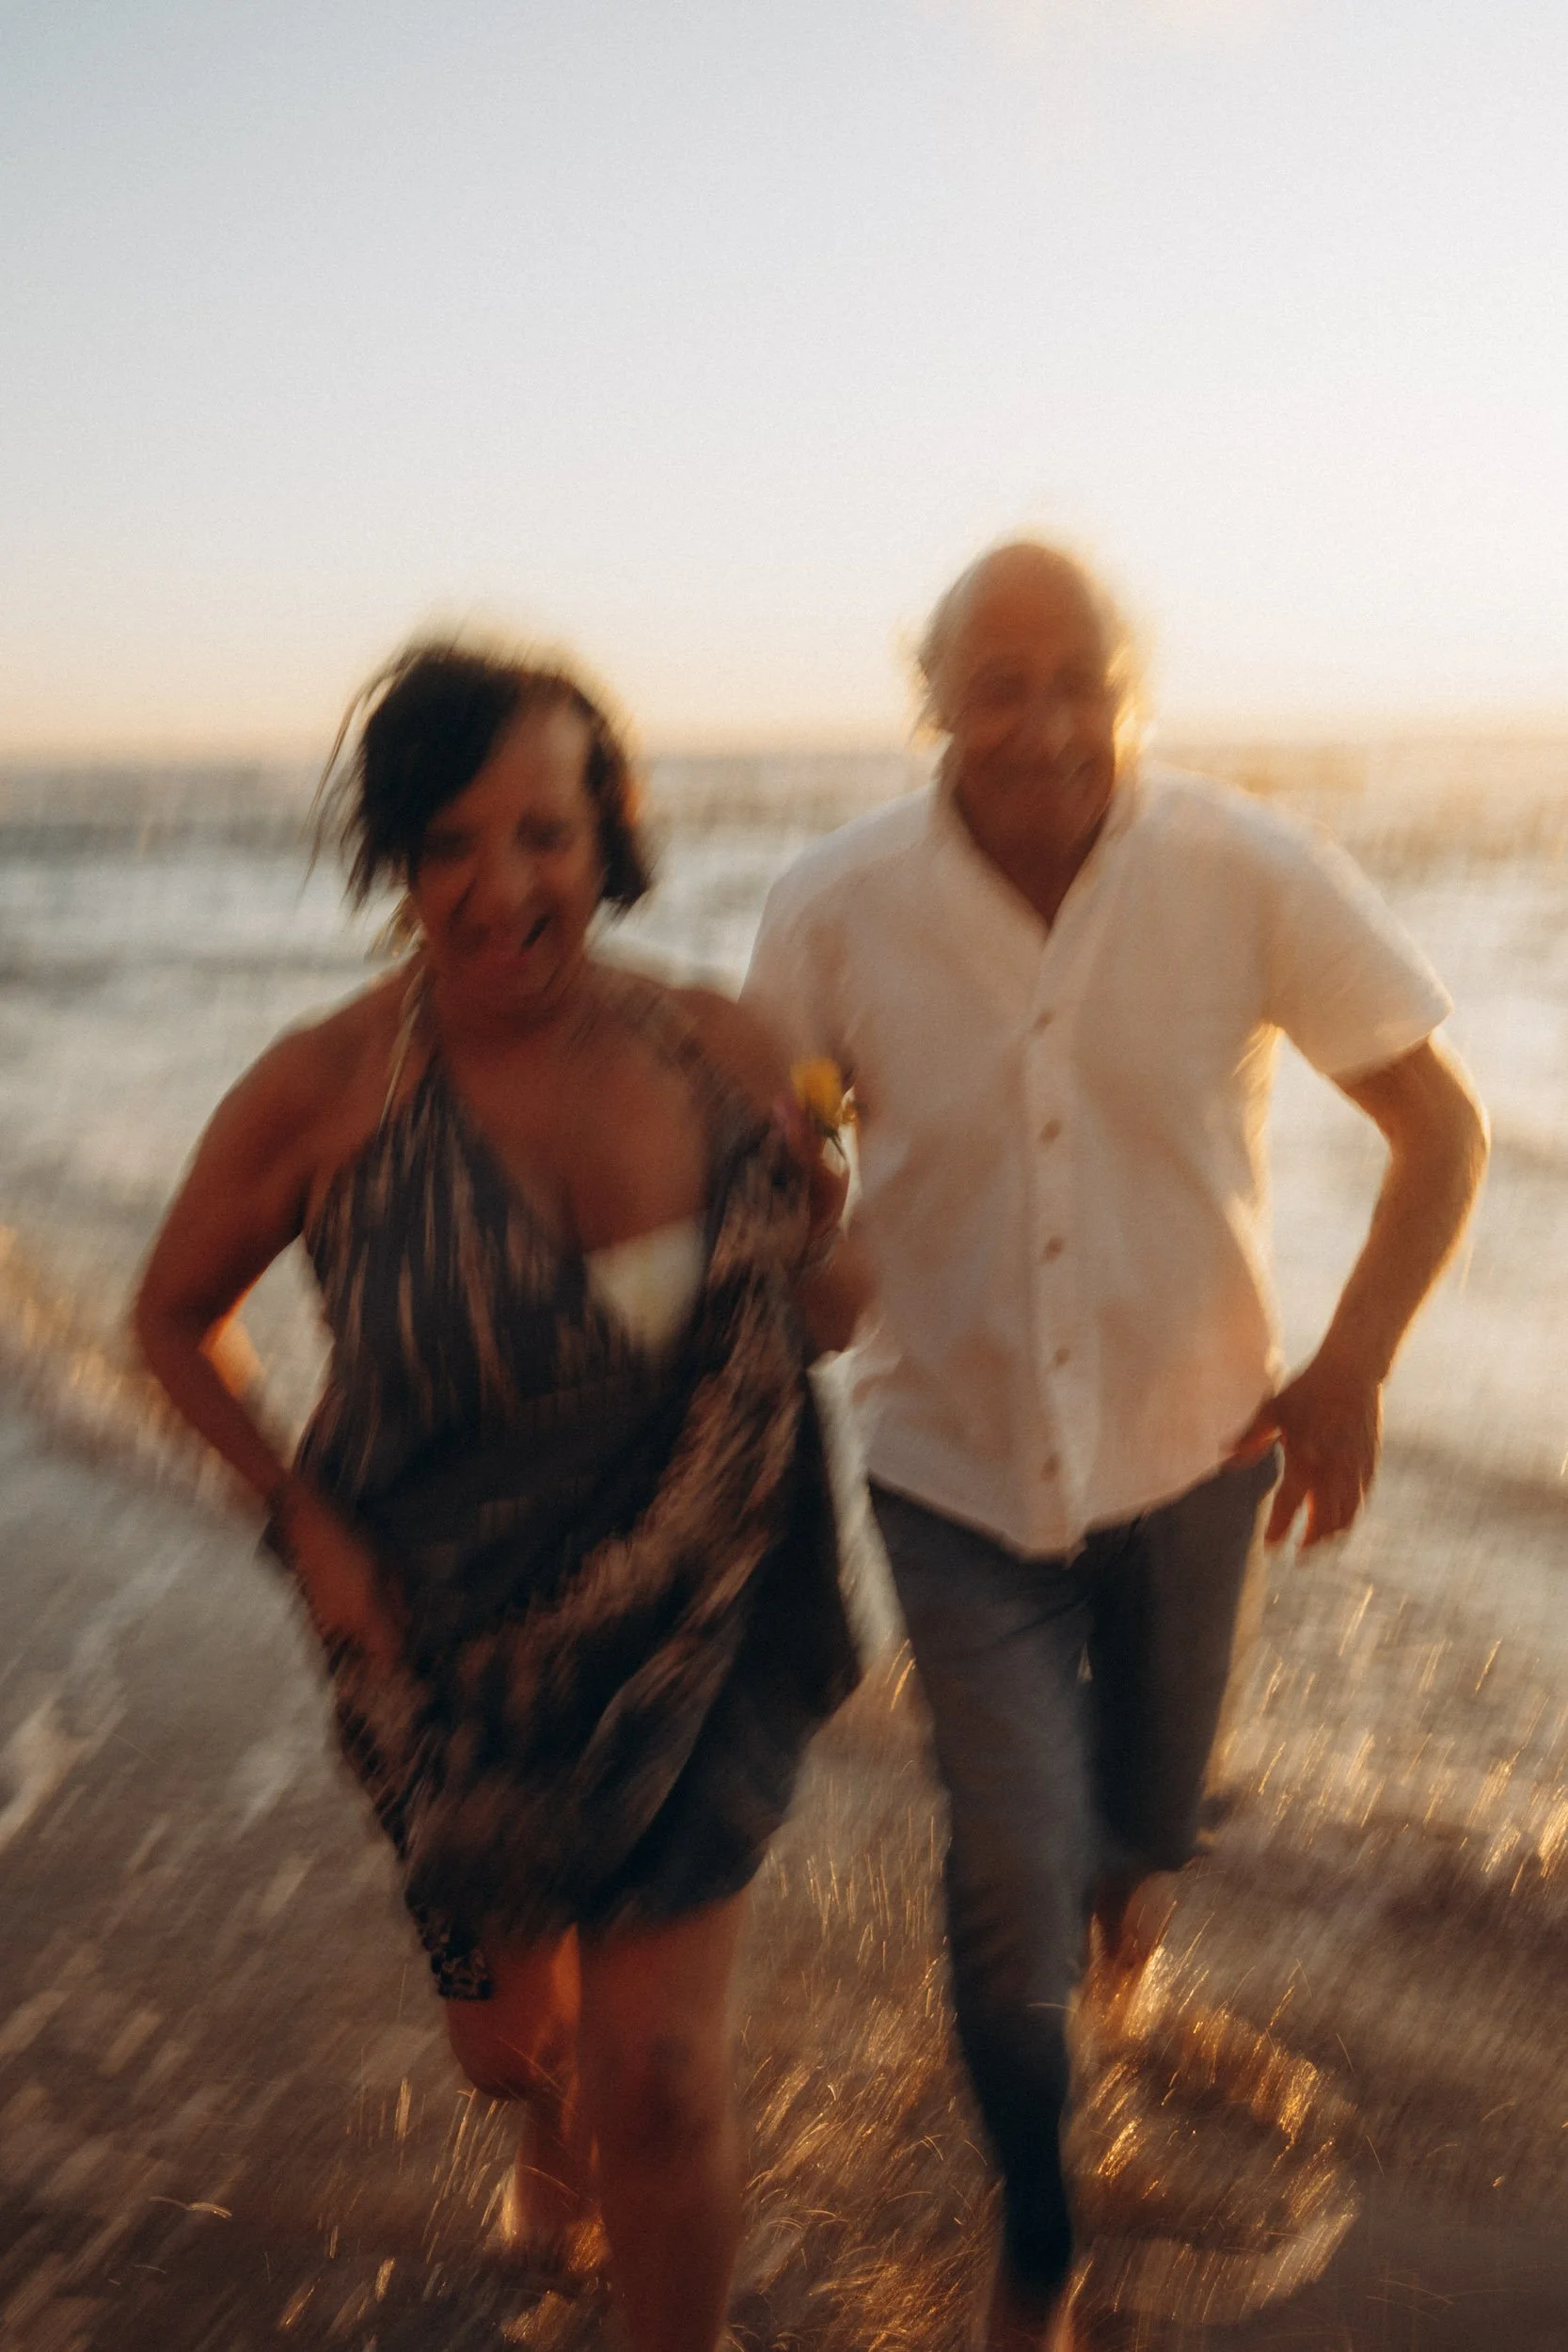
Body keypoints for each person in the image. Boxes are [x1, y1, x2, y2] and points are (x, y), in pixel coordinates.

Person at [742, 541, 1489, 2350]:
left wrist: (1351, 1366)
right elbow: (778, 1157)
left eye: (1080, 680)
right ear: (933, 700)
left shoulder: (1242, 866)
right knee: (1009, 1854)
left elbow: (1440, 1129)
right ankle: (1036, 2239)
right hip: (949, 1466)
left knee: (1138, 1830)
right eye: (999, 684)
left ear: (1129, 690)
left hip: (1194, 1452)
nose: (1045, 723)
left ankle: (1121, 1959)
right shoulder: (832, 909)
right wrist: (798, 1251)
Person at [134, 642, 868, 2352]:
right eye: (451, 843)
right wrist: (298, 1515)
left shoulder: (717, 1047)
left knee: (658, 2074)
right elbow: (169, 1321)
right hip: (439, 1648)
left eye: (544, 833)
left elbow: (830, 1320)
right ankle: (544, 2120)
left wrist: (820, 1225)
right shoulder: (323, 1091)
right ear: (397, 859)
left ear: (607, 836)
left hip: (704, 1611)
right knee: (509, 2048)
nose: (504, 887)